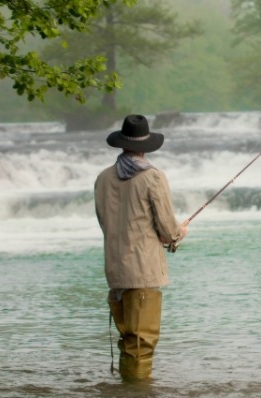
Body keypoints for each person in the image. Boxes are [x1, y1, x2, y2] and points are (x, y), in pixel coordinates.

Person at [94, 114, 187, 381]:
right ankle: (138, 391)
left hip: (115, 271)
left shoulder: (103, 178)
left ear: (122, 143)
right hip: (143, 271)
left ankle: (126, 389)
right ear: (146, 146)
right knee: (141, 345)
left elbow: (106, 224)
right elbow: (169, 231)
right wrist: (179, 233)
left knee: (128, 341)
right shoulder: (153, 177)